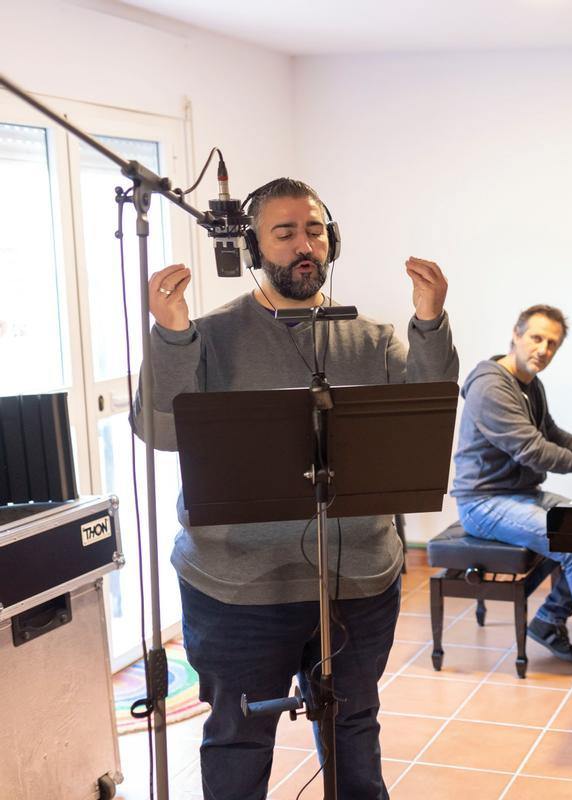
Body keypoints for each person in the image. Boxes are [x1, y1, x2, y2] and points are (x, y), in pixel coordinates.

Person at [132, 177, 459, 799]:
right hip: (237, 587)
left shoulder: (372, 337)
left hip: (357, 579)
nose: (302, 245)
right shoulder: (209, 336)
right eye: (283, 234)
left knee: (354, 726)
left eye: (313, 231)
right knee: (237, 737)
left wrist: (429, 321)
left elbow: (431, 408)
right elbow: (158, 430)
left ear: (331, 241)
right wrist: (171, 334)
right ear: (254, 249)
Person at [451, 304, 572, 678]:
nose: (543, 349)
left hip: (521, 495)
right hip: (484, 502)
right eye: (536, 338)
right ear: (516, 334)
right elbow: (533, 449)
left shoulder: (530, 383)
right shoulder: (490, 385)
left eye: (552, 344)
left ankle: (547, 621)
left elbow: (552, 433)